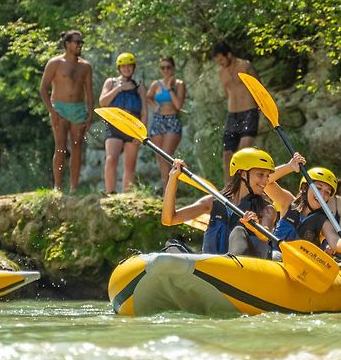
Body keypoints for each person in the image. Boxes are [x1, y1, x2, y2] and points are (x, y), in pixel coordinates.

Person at [162, 147, 277, 258]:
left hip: (245, 270)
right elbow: (169, 219)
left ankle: (231, 265)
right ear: (242, 173)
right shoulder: (213, 202)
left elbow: (265, 235)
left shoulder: (266, 209)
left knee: (238, 231)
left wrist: (252, 226)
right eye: (260, 174)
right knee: (172, 245)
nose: (266, 180)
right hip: (214, 268)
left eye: (267, 176)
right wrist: (173, 179)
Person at [40, 30, 94, 192]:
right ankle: (57, 186)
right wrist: (52, 111)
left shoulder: (85, 66)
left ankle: (74, 187)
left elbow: (89, 93)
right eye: (77, 42)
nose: (80, 45)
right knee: (60, 147)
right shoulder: (55, 63)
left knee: (77, 147)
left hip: (78, 109)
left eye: (81, 42)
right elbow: (43, 89)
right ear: (67, 44)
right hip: (60, 108)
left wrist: (90, 114)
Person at [266, 160, 341, 259]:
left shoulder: (324, 222)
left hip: (300, 268)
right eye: (318, 188)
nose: (322, 195)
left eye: (327, 192)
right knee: (276, 256)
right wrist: (290, 166)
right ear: (305, 188)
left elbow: (336, 242)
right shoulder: (288, 202)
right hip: (273, 259)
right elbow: (266, 182)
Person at [213, 42, 261, 185]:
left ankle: (242, 188)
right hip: (232, 115)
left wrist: (260, 108)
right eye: (218, 62)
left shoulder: (245, 66)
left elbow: (259, 87)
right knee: (227, 155)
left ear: (229, 54)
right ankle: (228, 190)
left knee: (243, 153)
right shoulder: (221, 72)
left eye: (221, 60)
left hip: (249, 112)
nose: (221, 64)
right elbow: (226, 93)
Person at [99, 52, 147, 193]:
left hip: (132, 128)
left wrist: (141, 134)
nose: (126, 69)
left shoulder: (139, 86)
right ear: (119, 68)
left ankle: (126, 196)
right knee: (111, 159)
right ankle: (110, 192)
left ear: (133, 67)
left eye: (129, 66)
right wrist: (119, 89)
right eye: (123, 66)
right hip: (114, 126)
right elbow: (102, 102)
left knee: (129, 165)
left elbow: (144, 111)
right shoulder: (111, 82)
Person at [146, 57, 186, 191]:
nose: (165, 70)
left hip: (172, 120)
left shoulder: (179, 84)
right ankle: (167, 189)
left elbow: (178, 105)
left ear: (173, 68)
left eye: (168, 67)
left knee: (167, 156)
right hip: (158, 120)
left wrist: (169, 89)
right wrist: (155, 106)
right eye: (162, 67)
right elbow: (148, 96)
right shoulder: (156, 84)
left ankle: (169, 190)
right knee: (160, 157)